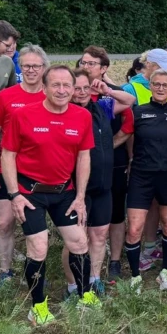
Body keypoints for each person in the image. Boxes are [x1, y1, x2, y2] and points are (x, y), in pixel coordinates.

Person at [1, 65, 96, 326]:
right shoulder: (24, 116)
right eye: (56, 85)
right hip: (29, 193)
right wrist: (14, 195)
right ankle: (38, 307)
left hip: (64, 192)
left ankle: (85, 296)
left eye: (68, 86)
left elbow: (84, 156)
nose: (63, 90)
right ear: (44, 87)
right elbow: (7, 155)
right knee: (39, 247)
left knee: (79, 243)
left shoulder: (82, 116)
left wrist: (80, 195)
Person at [0, 44, 51, 283]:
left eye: (35, 66)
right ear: (19, 67)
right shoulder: (7, 96)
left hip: (44, 173)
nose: (31, 70)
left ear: (44, 68)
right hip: (8, 169)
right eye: (25, 66)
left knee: (39, 224)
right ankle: (5, 271)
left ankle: (37, 267)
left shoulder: (53, 94)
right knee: (4, 222)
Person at [78, 46, 137, 283]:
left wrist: (107, 146)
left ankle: (113, 261)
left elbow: (129, 124)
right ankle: (79, 271)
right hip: (80, 166)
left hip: (111, 163)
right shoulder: (73, 93)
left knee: (113, 215)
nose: (86, 66)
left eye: (92, 63)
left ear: (103, 69)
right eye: (84, 61)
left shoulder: (111, 93)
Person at [120, 70, 167, 291]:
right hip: (141, 175)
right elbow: (126, 136)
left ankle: (165, 271)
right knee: (135, 228)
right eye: (156, 84)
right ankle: (135, 276)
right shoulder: (137, 111)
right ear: (150, 86)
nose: (160, 88)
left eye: (166, 85)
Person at [63, 68, 116, 298]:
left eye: (86, 87)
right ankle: (73, 285)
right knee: (76, 239)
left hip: (103, 186)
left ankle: (94, 280)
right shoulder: (64, 113)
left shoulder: (101, 108)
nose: (82, 92)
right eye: (77, 88)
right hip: (75, 189)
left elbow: (129, 100)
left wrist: (106, 88)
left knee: (99, 236)